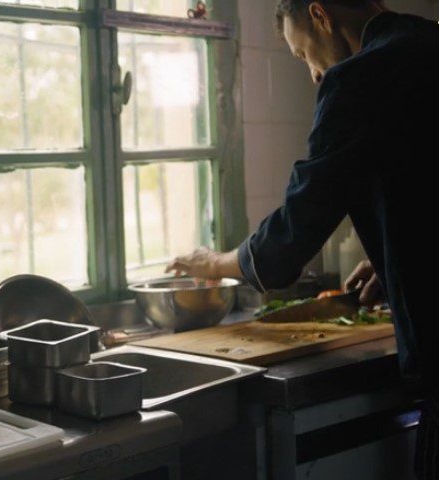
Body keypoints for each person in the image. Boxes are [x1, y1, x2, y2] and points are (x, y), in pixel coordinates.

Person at [166, 1, 439, 477]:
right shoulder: (429, 41)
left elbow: (296, 230)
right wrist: (396, 253)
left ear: (320, 15)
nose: (313, 74)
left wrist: (215, 264)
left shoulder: (357, 80)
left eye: (302, 55)